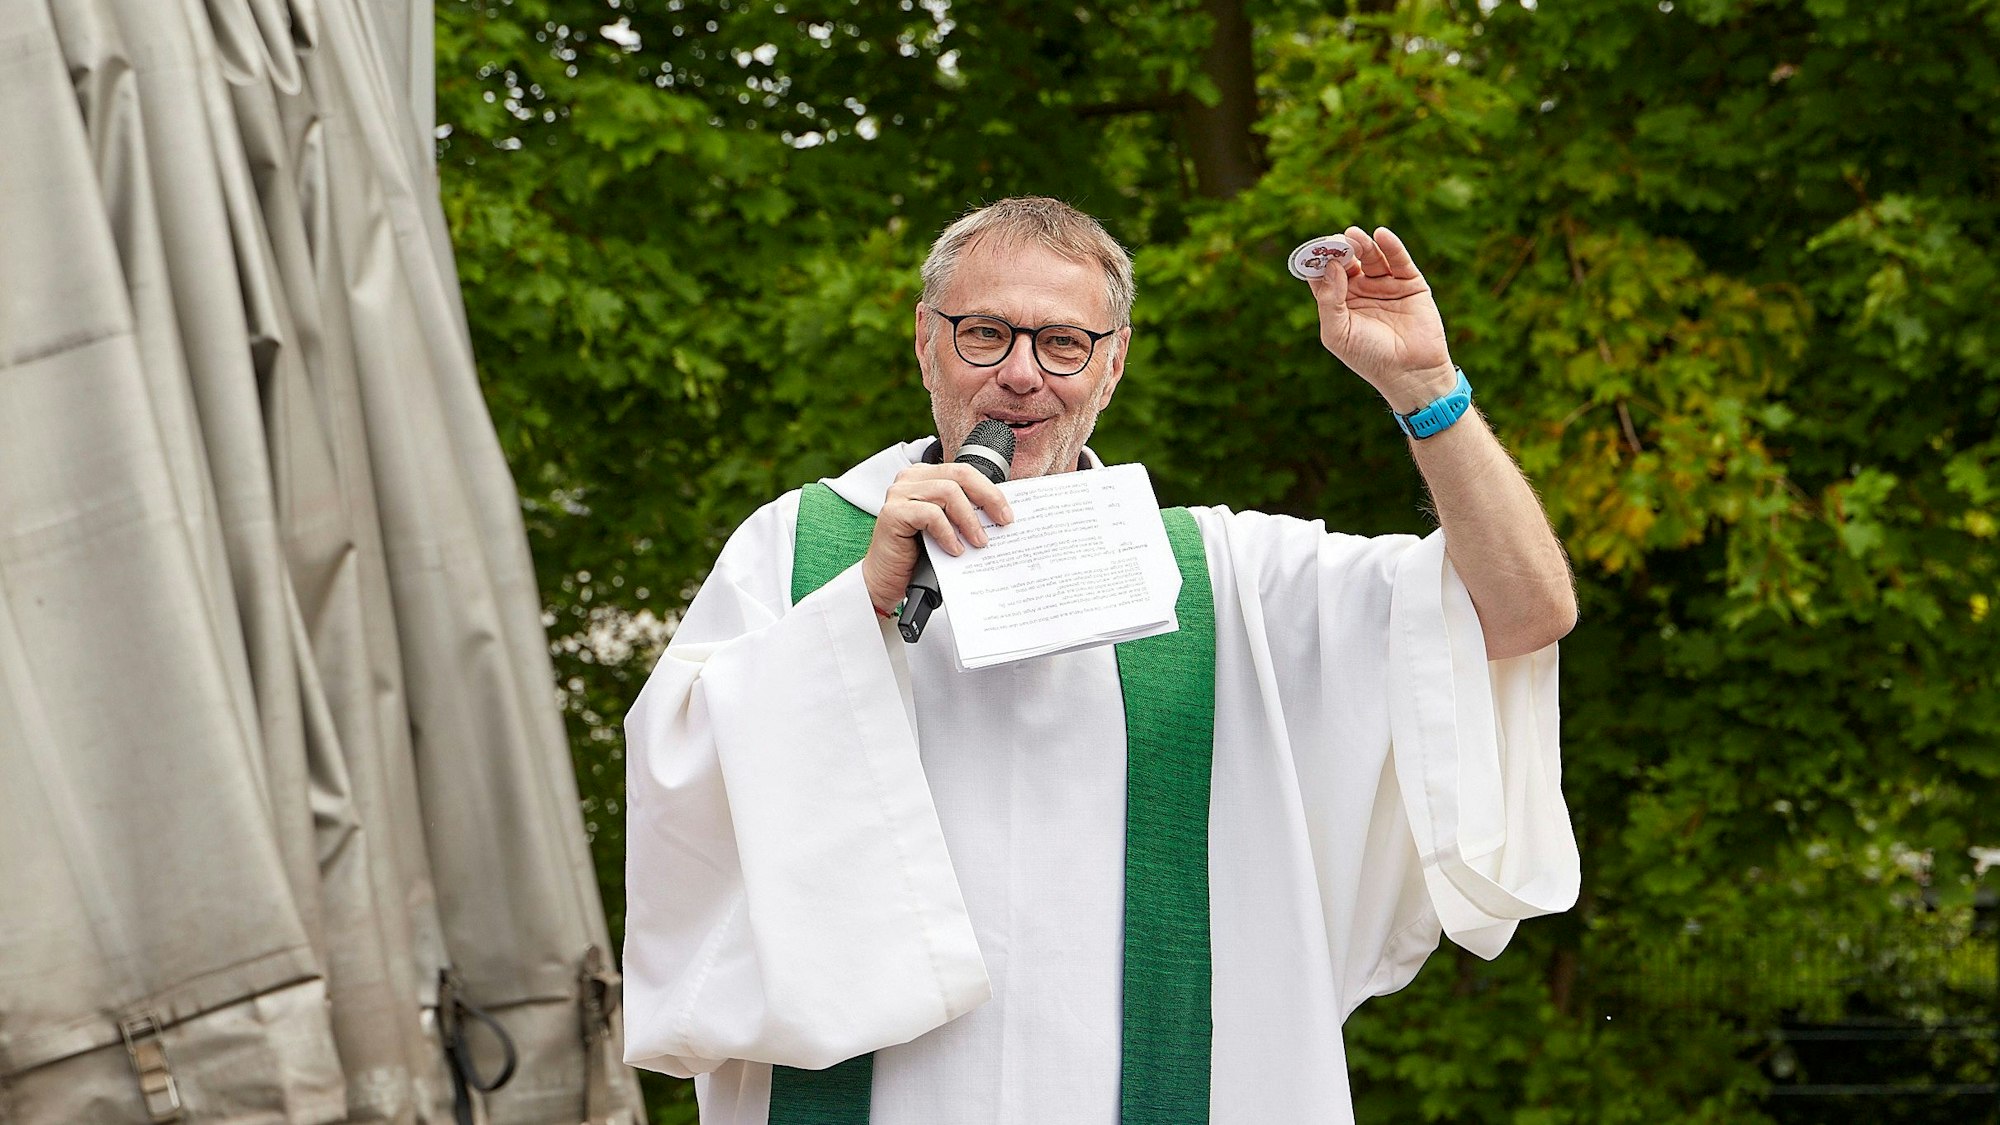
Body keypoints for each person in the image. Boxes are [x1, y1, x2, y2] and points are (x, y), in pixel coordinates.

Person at [621, 197, 1581, 1124]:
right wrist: (854, 610)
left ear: (1111, 365)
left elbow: (1525, 610)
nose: (1022, 375)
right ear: (925, 339)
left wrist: (1425, 387)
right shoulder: (800, 548)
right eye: (984, 333)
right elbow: (679, 807)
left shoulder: (1223, 577)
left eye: (1063, 343)